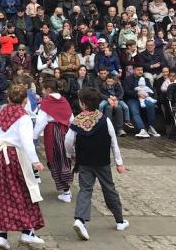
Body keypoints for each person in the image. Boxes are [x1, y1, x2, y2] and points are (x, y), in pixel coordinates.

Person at [65, 87, 128, 241]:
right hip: (102, 161)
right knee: (109, 188)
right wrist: (119, 162)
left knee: (85, 189)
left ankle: (80, 219)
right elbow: (113, 141)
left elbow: (68, 140)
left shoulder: (77, 120)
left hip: (84, 161)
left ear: (83, 104)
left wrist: (70, 155)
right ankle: (120, 221)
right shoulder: (104, 119)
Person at [0, 84, 46, 249]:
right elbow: (27, 143)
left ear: (8, 99)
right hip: (14, 156)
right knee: (24, 191)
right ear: (26, 100)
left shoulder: (2, 113)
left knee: (2, 194)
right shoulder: (24, 116)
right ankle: (28, 232)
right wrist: (35, 161)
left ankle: (3, 236)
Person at [33, 77, 74, 202]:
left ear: (49, 90)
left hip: (52, 132)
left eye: (43, 90)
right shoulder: (64, 101)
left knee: (55, 159)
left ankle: (65, 190)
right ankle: (66, 188)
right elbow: (71, 119)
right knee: (65, 158)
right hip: (66, 132)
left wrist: (33, 137)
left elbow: (41, 122)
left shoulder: (46, 102)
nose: (42, 92)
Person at [124, 64, 159, 138]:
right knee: (134, 110)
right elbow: (126, 91)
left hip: (145, 98)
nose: (140, 72)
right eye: (138, 70)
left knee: (151, 105)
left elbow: (151, 90)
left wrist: (146, 94)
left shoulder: (146, 79)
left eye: (141, 70)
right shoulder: (128, 79)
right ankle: (142, 129)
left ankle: (151, 128)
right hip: (132, 98)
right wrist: (137, 94)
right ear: (134, 71)